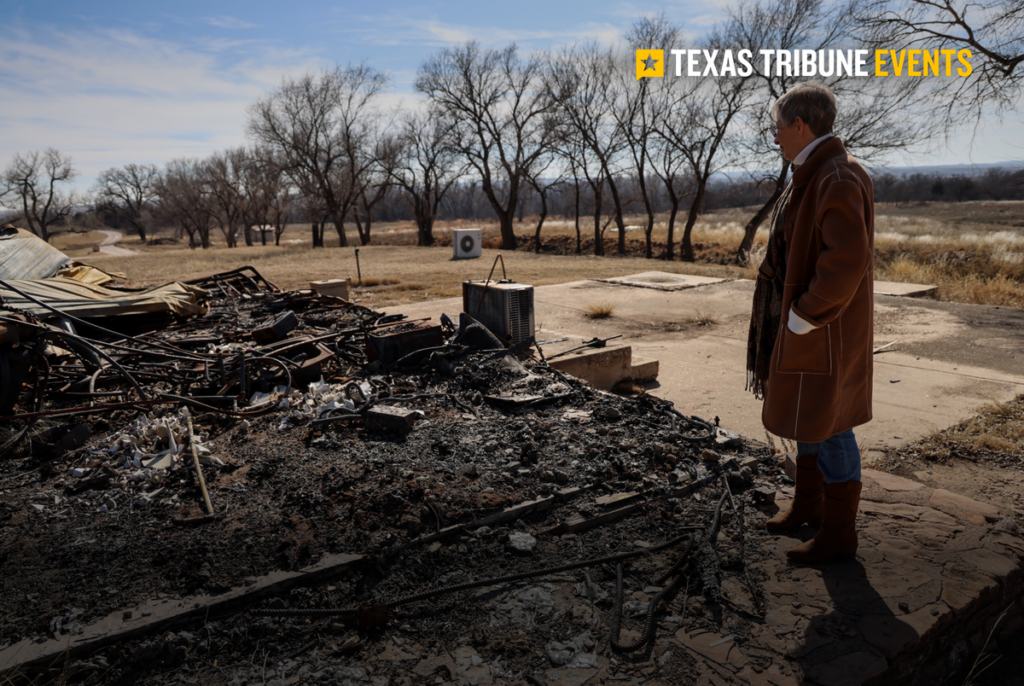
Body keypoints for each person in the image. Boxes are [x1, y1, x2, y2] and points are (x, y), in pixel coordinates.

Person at [746, 81, 875, 564]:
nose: (774, 137)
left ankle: (839, 536)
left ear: (800, 125)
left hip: (823, 331)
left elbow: (846, 263)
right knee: (808, 413)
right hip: (809, 330)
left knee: (833, 424)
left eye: (777, 128)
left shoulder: (836, 176)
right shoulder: (816, 171)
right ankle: (807, 506)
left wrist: (804, 317)